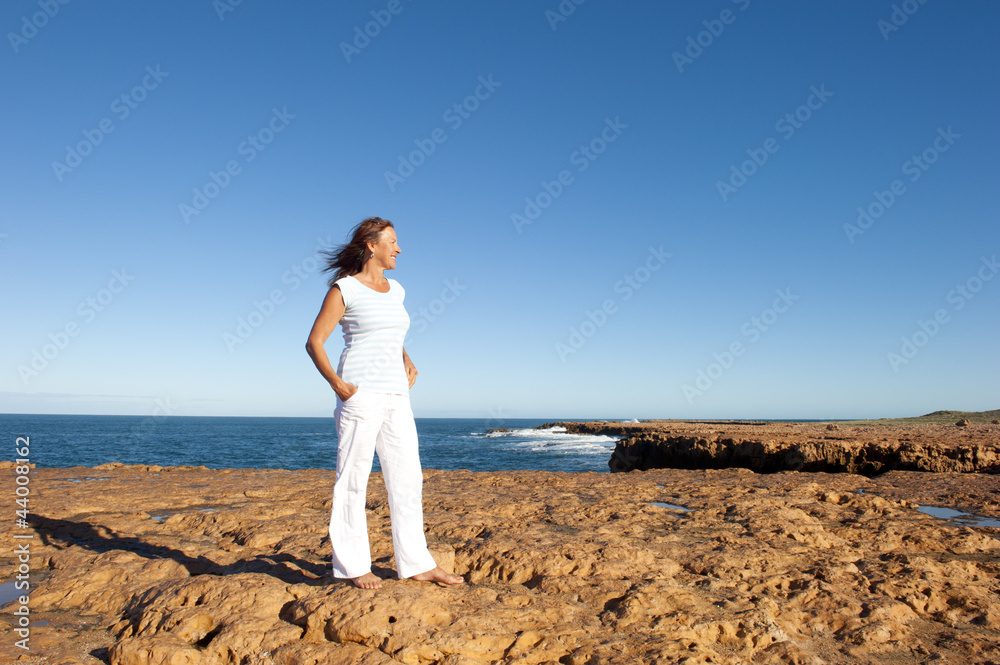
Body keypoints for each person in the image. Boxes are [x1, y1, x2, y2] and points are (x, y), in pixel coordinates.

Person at [305, 217, 464, 589]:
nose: (399, 248)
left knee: (408, 479)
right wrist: (340, 386)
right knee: (352, 481)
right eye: (392, 241)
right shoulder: (344, 289)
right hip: (360, 394)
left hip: (396, 394)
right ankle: (353, 566)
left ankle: (416, 563)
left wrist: (405, 356)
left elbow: (390, 331)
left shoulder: (397, 290)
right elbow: (315, 342)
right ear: (372, 246)